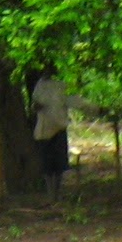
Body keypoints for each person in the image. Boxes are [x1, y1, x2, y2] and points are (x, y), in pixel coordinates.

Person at [31, 67, 71, 201]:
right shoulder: (39, 86)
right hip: (44, 130)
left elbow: (72, 101)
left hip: (58, 127)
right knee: (47, 165)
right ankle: (50, 194)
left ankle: (56, 193)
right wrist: (37, 107)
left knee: (59, 164)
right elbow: (34, 105)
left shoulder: (61, 85)